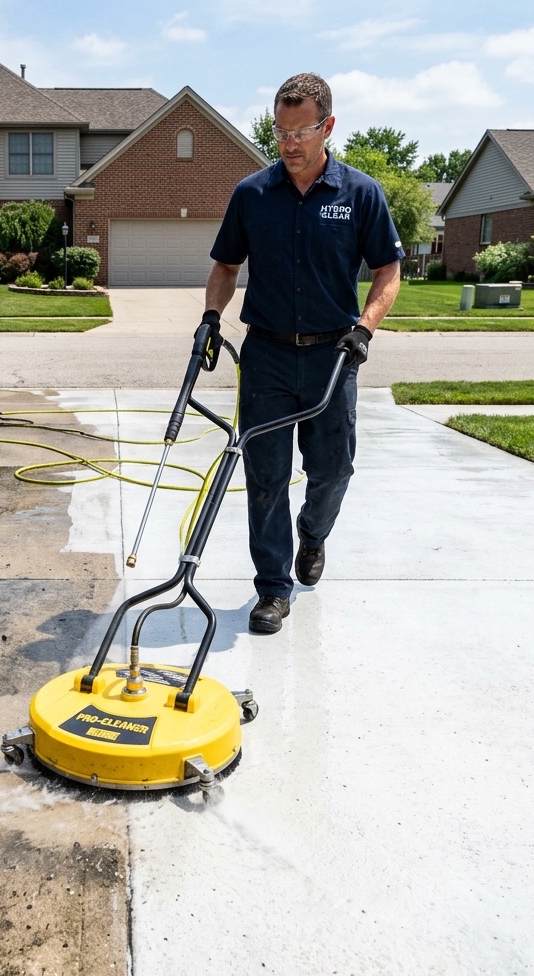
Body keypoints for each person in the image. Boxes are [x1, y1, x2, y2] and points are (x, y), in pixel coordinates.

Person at [200, 72, 403, 635]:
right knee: (265, 476)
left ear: (327, 127)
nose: (289, 143)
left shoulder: (359, 193)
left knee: (333, 468)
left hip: (333, 356)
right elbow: (225, 266)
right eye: (280, 132)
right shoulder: (252, 194)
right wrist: (211, 319)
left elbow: (389, 269)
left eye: (300, 132)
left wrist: (365, 327)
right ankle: (272, 589)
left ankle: (313, 535)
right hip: (265, 355)